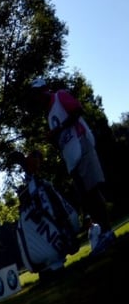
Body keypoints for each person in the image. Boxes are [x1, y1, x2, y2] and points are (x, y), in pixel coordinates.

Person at [30, 78, 114, 255]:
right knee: (85, 197)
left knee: (92, 190)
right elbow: (60, 138)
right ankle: (102, 232)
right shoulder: (48, 114)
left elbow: (77, 111)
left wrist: (57, 130)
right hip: (71, 156)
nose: (36, 98)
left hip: (81, 144)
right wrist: (54, 138)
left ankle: (107, 231)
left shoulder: (60, 96)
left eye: (38, 93)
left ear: (45, 90)